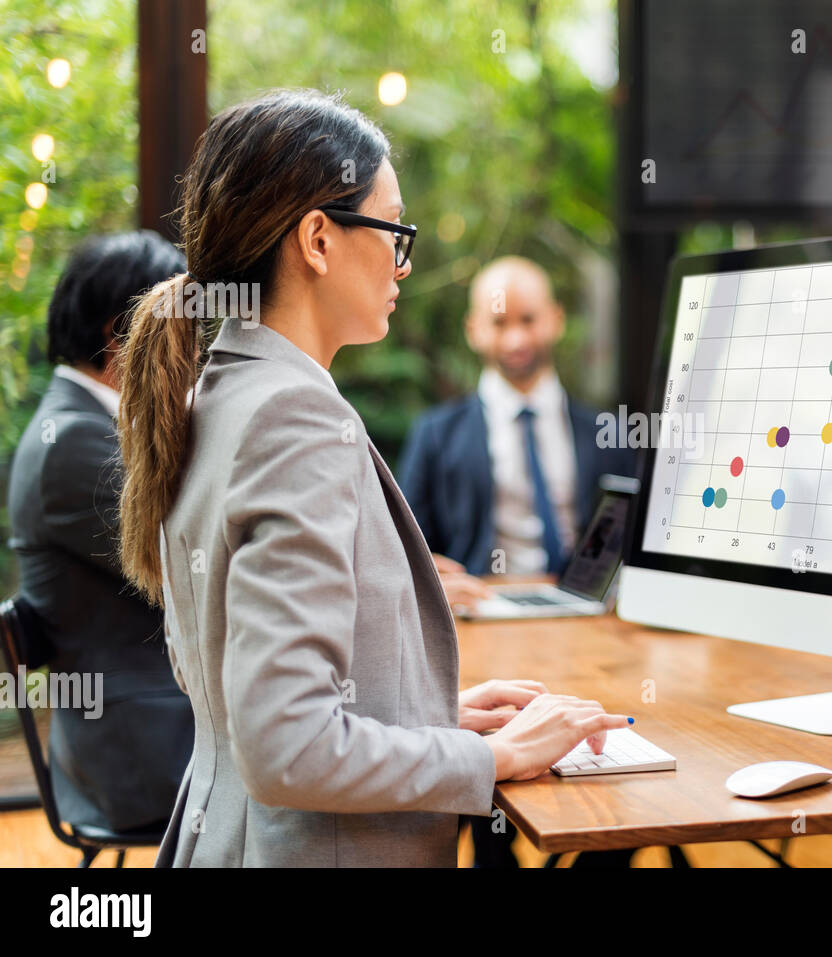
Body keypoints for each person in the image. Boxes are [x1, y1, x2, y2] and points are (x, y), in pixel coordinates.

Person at [113, 88, 630, 868]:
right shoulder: (294, 417)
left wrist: (426, 716)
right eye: (394, 231)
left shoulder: (215, 395)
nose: (404, 260)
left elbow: (237, 692)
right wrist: (491, 760)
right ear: (317, 238)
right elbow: (286, 744)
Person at [6, 231, 194, 834]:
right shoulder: (74, 444)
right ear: (122, 334)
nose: (195, 351)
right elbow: (201, 564)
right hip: (143, 751)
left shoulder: (83, 425)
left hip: (149, 726)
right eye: (183, 329)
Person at [398, 256, 637, 589]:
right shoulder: (435, 435)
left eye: (528, 320)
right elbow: (406, 547)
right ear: (473, 330)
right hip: (478, 612)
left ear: (556, 319)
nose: (516, 340)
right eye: (499, 323)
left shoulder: (607, 433)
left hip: (583, 611)